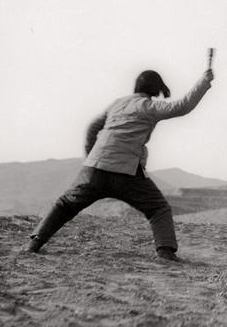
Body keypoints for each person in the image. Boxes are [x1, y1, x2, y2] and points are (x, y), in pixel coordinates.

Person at [23, 65, 214, 261]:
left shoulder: (117, 104)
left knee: (65, 205)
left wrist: (92, 158)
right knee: (158, 209)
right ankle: (165, 252)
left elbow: (92, 128)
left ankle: (34, 243)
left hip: (94, 169)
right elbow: (183, 106)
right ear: (156, 90)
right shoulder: (148, 107)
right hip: (126, 173)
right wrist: (204, 81)